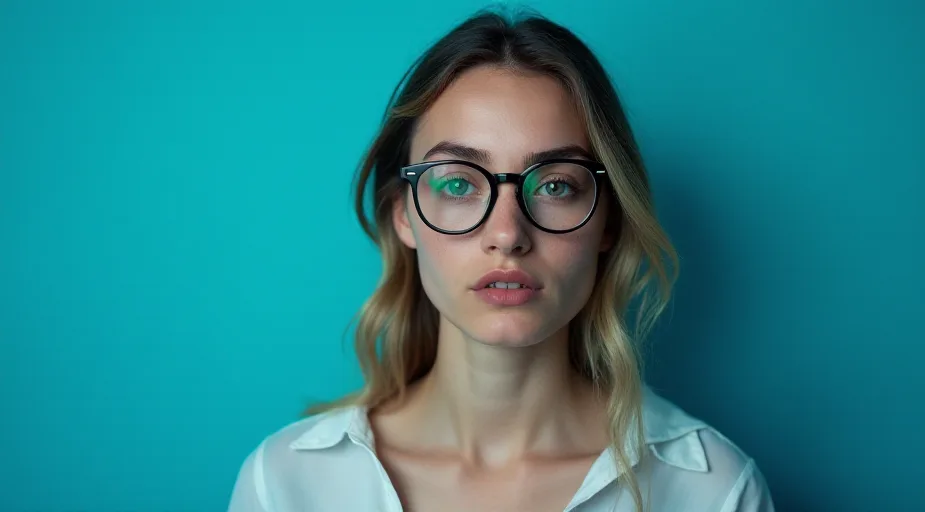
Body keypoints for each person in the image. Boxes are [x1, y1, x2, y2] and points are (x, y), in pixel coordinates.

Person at [228, 7, 774, 512]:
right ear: (404, 215)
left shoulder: (712, 490)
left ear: (608, 219)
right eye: (459, 183)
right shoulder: (286, 485)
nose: (508, 234)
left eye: (557, 186)